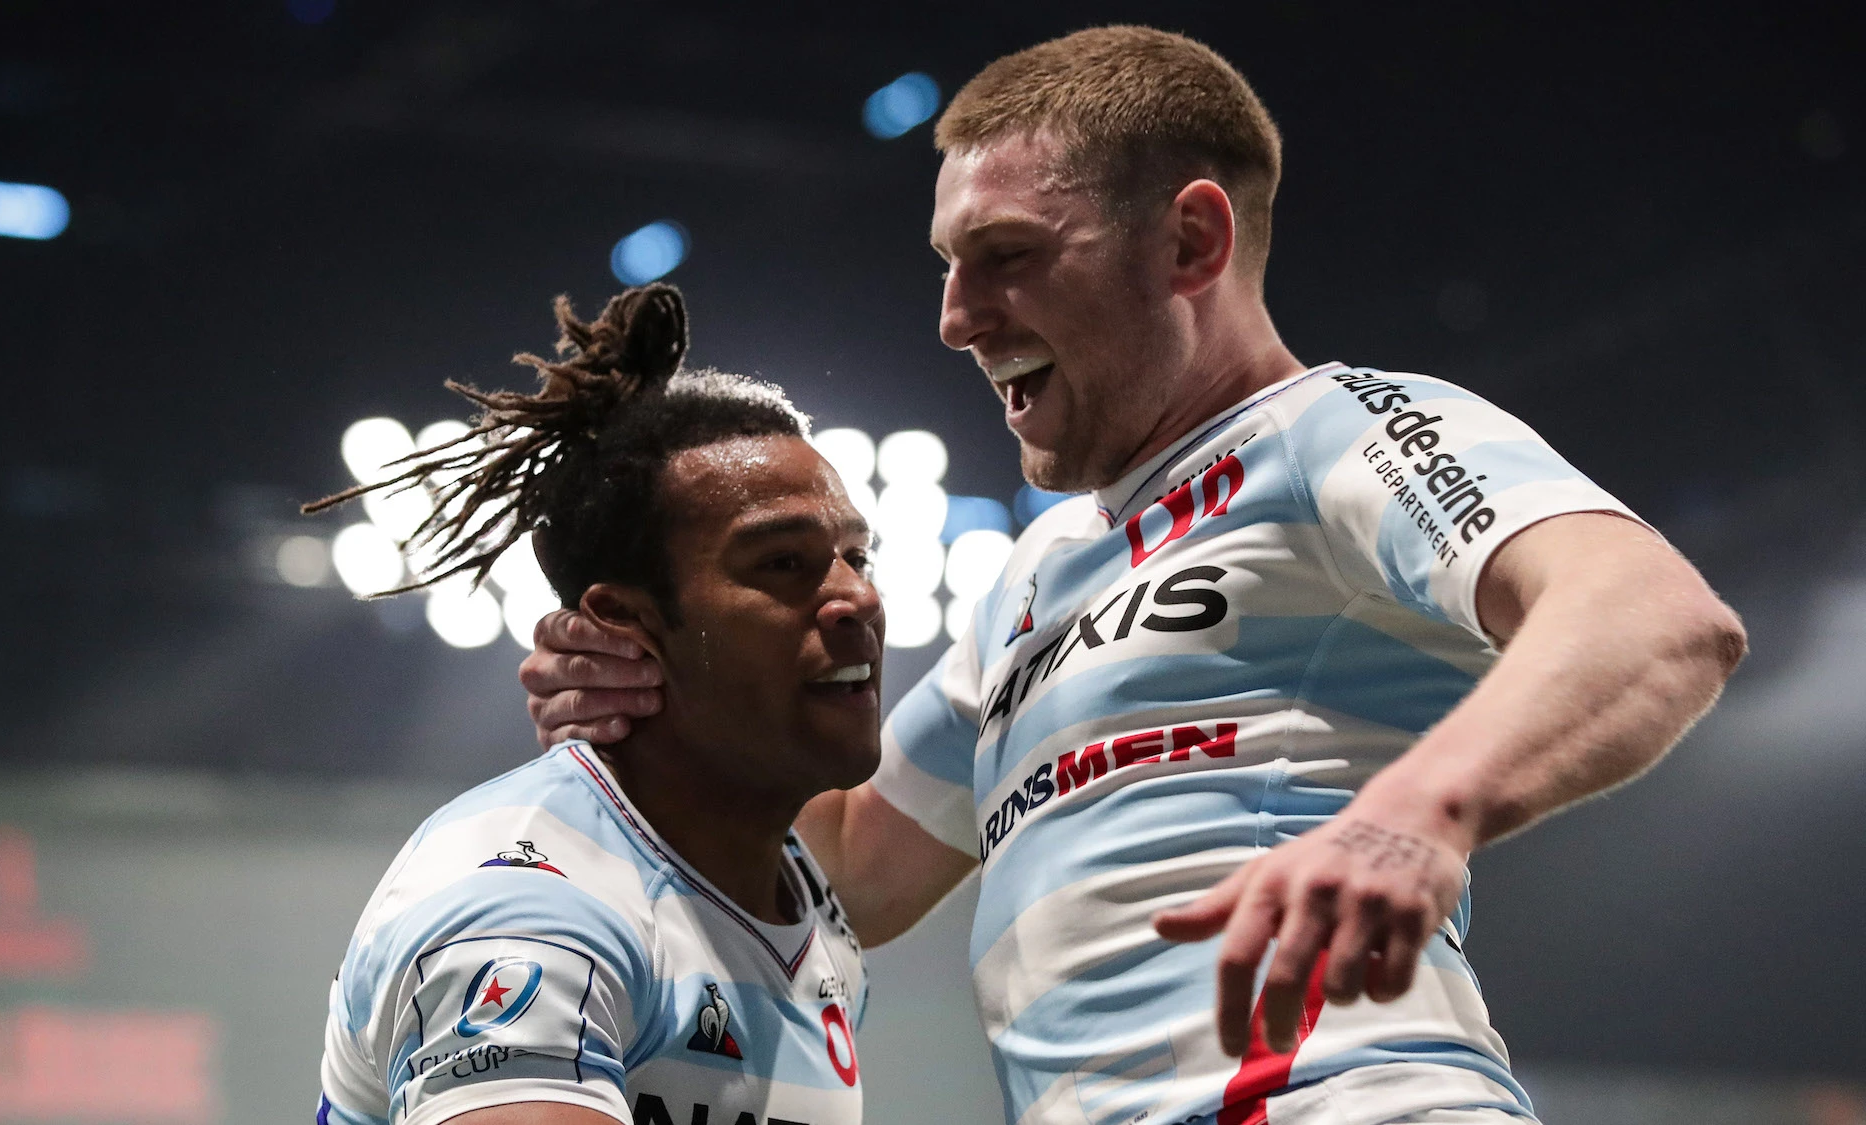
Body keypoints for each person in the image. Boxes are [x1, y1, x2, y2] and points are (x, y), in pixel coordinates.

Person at [520, 27, 1747, 1125]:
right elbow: (852, 869)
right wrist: (658, 690)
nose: (953, 315)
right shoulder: (1039, 575)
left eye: (1005, 254)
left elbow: (1653, 616)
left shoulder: (1338, 432)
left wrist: (1415, 816)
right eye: (946, 263)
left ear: (1190, 239)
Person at [313, 284, 883, 1125]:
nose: (855, 599)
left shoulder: (790, 887)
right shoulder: (529, 907)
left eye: (858, 556)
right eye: (782, 564)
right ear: (628, 625)